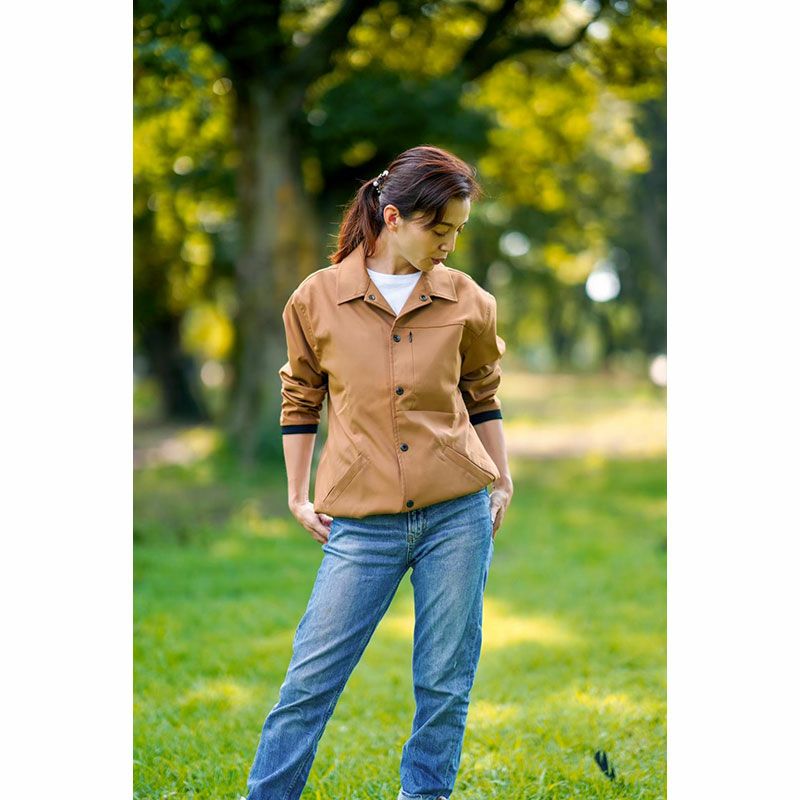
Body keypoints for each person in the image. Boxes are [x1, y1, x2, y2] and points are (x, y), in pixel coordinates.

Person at [244, 145, 514, 800]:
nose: (450, 244)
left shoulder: (468, 300)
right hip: (362, 524)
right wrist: (297, 494)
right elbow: (300, 398)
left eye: (458, 230)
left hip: (457, 516)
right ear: (394, 217)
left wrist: (502, 479)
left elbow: (482, 393)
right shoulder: (317, 298)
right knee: (309, 682)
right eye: (440, 228)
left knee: (444, 683)